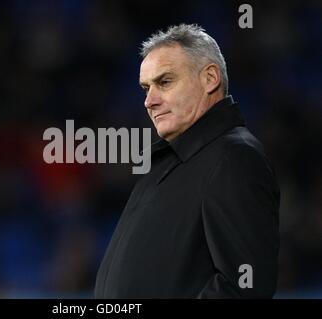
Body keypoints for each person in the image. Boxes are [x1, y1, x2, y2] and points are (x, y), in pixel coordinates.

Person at [94, 24, 280, 298]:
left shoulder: (235, 159)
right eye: (146, 88)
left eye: (165, 82)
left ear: (209, 78)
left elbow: (244, 287)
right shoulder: (171, 159)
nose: (149, 101)